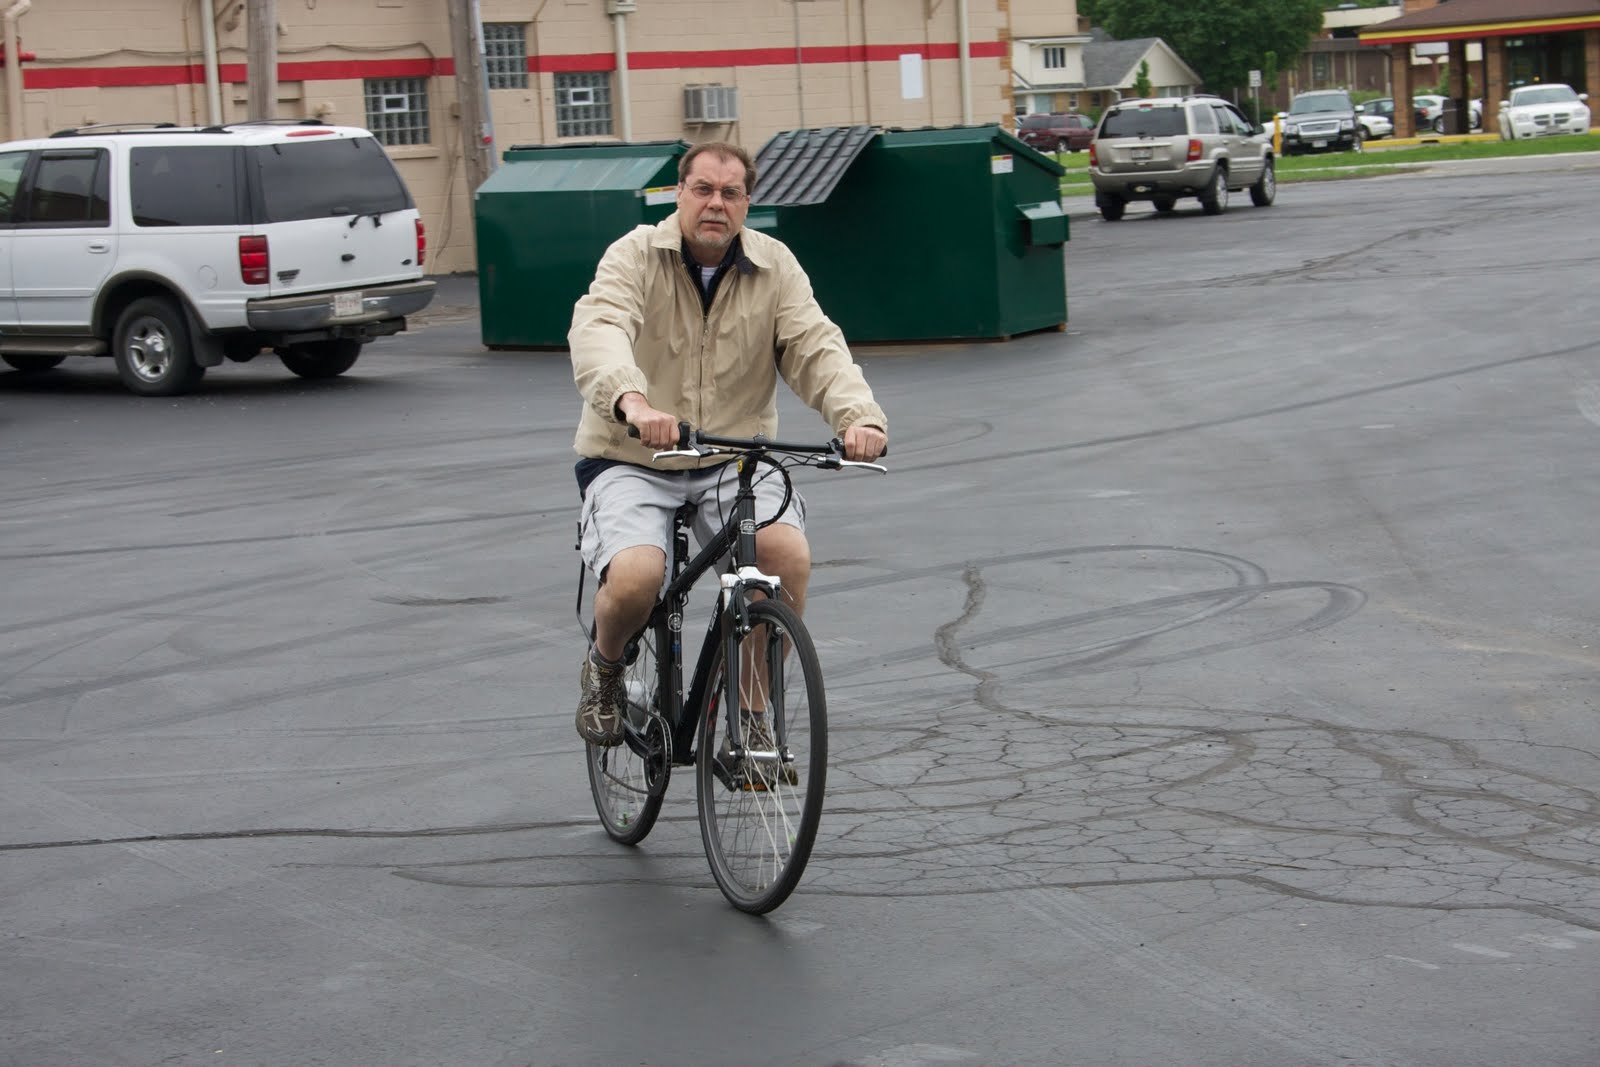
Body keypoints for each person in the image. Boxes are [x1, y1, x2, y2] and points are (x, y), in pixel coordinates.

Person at [567, 140, 888, 747]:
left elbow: (813, 345)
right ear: (680, 194)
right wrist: (632, 401)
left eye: (731, 193)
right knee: (637, 577)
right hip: (634, 453)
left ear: (747, 202)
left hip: (735, 457)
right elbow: (601, 327)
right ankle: (606, 668)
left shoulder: (774, 265)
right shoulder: (634, 255)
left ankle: (750, 716)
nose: (716, 203)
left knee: (784, 560)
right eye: (703, 189)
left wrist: (858, 418)